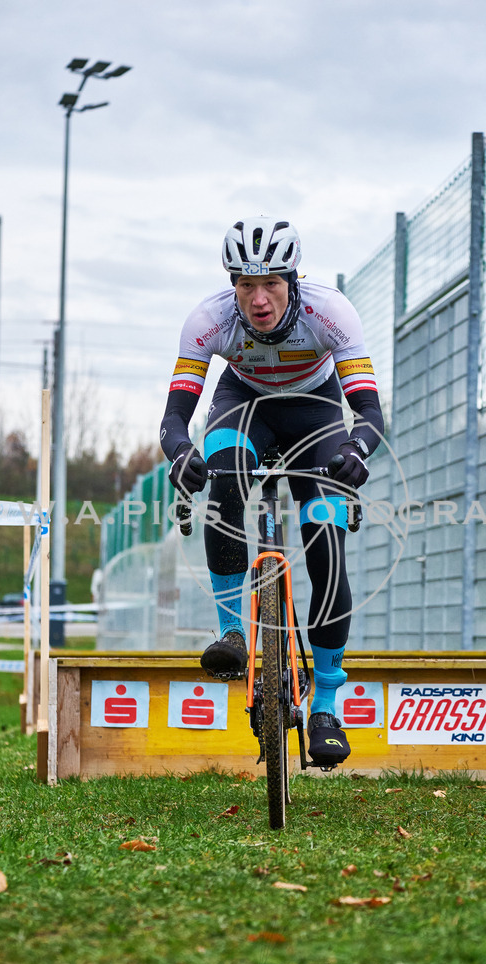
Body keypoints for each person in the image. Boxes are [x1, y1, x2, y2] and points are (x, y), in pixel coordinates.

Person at [160, 216, 384, 765]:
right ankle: (232, 635)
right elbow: (174, 419)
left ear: (293, 279)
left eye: (271, 284)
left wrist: (357, 450)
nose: (259, 299)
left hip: (315, 412)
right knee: (224, 474)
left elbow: (369, 411)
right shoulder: (208, 320)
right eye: (245, 285)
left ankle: (326, 704)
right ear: (232, 284)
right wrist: (181, 453)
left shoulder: (331, 312)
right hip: (244, 403)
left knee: (327, 543)